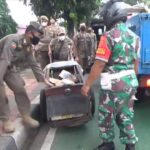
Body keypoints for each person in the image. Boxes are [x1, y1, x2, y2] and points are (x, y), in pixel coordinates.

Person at [81, 1, 140, 150]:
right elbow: (135, 64)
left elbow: (100, 64)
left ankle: (108, 144)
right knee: (125, 114)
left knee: (106, 114)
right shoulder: (135, 37)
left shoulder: (108, 36)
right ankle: (130, 145)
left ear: (111, 15)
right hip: (130, 81)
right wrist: (132, 81)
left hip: (113, 84)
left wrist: (87, 84)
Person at [0, 21, 51, 133]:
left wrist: (44, 79)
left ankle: (25, 116)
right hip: (2, 63)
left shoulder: (27, 46)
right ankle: (6, 120)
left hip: (9, 67)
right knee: (1, 94)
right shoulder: (13, 40)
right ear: (30, 33)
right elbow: (5, 59)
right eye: (38, 35)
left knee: (20, 88)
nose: (39, 38)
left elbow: (33, 63)